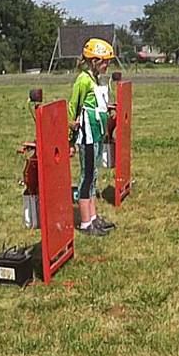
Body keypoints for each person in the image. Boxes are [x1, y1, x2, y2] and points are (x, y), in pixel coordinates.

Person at [68, 38, 117, 236]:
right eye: (104, 61)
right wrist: (70, 138)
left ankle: (94, 217)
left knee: (94, 176)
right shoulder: (83, 79)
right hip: (86, 135)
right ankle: (86, 222)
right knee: (86, 177)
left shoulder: (95, 79)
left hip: (96, 133)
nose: (107, 65)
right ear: (94, 60)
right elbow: (73, 107)